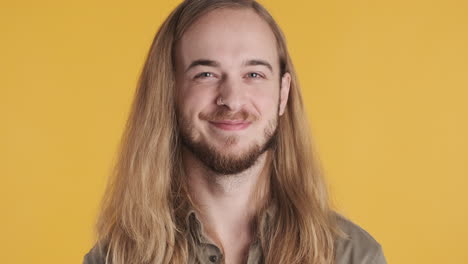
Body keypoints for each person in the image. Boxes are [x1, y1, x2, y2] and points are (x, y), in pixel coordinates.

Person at [83, 0, 387, 263]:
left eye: (254, 74)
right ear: (169, 91)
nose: (232, 99)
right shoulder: (113, 259)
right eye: (206, 74)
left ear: (282, 95)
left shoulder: (354, 257)